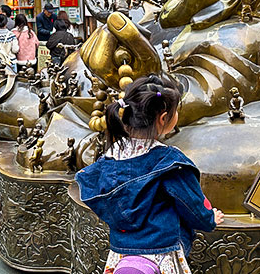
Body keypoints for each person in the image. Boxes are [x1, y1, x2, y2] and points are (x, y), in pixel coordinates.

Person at [75, 75, 225, 273]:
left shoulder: (109, 158)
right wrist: (209, 219)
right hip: (161, 253)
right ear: (163, 118)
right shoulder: (169, 162)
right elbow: (191, 204)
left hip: (121, 253)